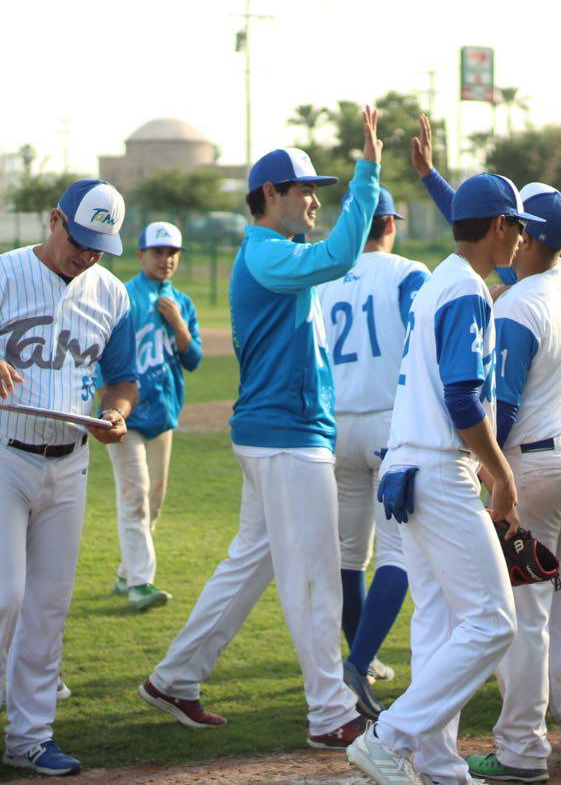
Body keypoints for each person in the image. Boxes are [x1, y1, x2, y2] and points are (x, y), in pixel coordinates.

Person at [140, 110, 381, 751]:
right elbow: (340, 255)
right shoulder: (268, 251)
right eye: (304, 190)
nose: (312, 201)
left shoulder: (279, 252)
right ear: (269, 194)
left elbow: (326, 257)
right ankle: (331, 713)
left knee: (251, 565)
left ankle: (174, 678)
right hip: (285, 437)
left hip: (279, 432)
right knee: (314, 575)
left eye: (316, 192)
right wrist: (367, 175)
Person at [0, 179, 138, 782]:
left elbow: (124, 379)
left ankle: (31, 738)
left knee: (47, 604)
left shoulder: (113, 295)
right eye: (80, 239)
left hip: (69, 459)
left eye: (100, 245)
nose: (87, 254)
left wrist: (117, 414)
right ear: (54, 219)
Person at [345, 169, 533, 785]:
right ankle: (391, 737)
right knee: (493, 622)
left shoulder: (439, 281)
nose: (519, 242)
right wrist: (501, 476)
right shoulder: (465, 291)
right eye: (516, 227)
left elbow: (446, 397)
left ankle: (438, 766)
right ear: (500, 226)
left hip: (408, 466)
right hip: (434, 470)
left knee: (439, 622)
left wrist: (431, 177)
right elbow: (461, 398)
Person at [464, 185, 561, 782]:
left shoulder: (517, 306)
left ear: (526, 236)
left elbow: (499, 410)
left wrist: (492, 474)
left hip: (537, 474)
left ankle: (522, 752)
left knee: (526, 614)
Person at [315, 185, 428, 716]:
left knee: (345, 553)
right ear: (390, 224)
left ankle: (359, 657)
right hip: (389, 423)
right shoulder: (408, 271)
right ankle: (357, 665)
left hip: (336, 424)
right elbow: (423, 341)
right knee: (398, 552)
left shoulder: (322, 278)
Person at [109, 221, 202, 612]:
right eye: (158, 252)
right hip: (126, 414)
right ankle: (141, 584)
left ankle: (125, 573)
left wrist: (179, 324)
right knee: (136, 498)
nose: (166, 259)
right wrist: (108, 404)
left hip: (163, 412)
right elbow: (104, 353)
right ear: (140, 255)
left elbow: (193, 359)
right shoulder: (124, 297)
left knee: (155, 503)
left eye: (172, 253)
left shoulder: (180, 301)